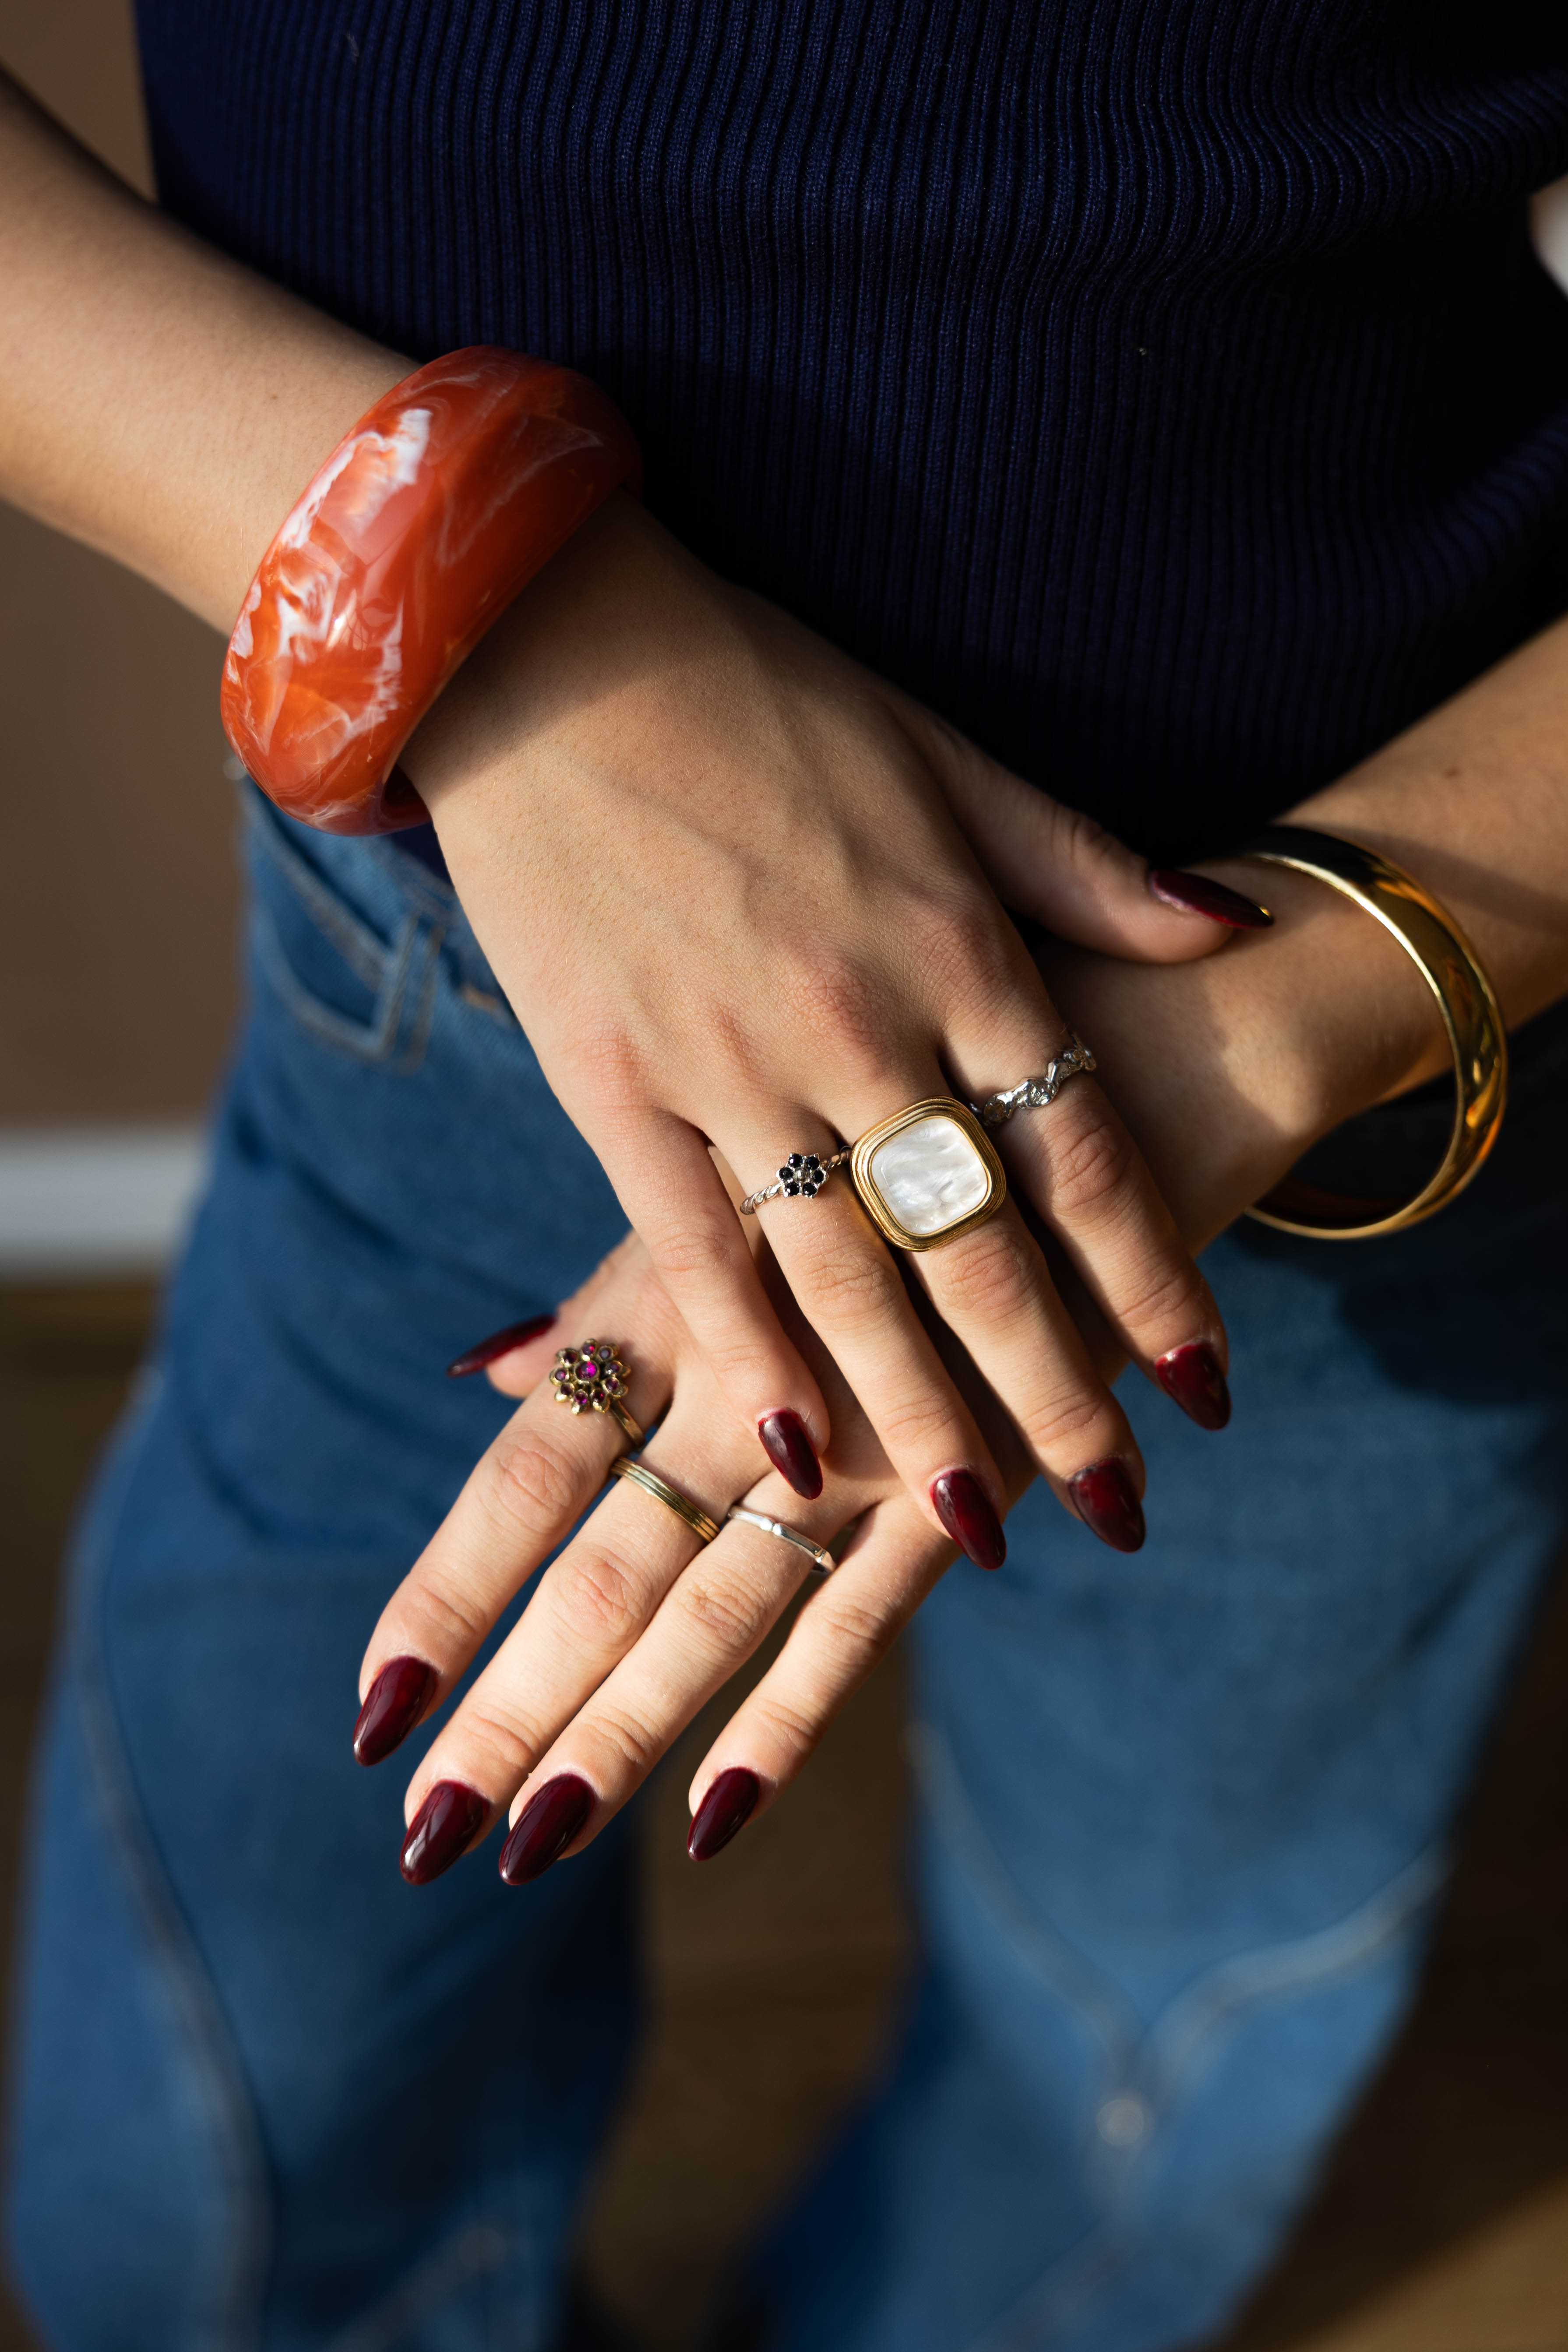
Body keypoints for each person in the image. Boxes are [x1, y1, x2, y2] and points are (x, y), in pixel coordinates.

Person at [3, 6, 1567, 2348]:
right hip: (457, 990)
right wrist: (500, 599)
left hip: (1368, 1100)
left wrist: (1260, 1026)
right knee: (231, 2133)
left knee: (1148, 2030)